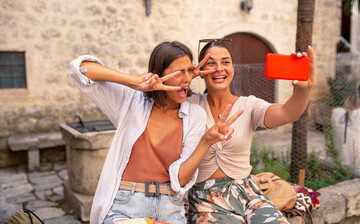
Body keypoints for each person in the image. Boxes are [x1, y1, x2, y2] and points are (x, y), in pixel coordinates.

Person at [69, 41, 242, 224]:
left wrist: (206, 141)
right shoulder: (130, 102)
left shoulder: (194, 115)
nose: (187, 80)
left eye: (188, 71)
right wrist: (135, 82)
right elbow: (80, 70)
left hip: (170, 208)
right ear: (158, 74)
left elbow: (180, 178)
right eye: (178, 72)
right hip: (124, 207)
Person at [186, 39, 316, 224]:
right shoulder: (188, 105)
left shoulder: (249, 105)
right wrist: (187, 75)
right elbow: (157, 92)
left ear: (233, 67)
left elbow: (288, 113)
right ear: (200, 70)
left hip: (248, 192)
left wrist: (304, 90)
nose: (219, 68)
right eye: (210, 63)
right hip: (206, 198)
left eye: (225, 62)